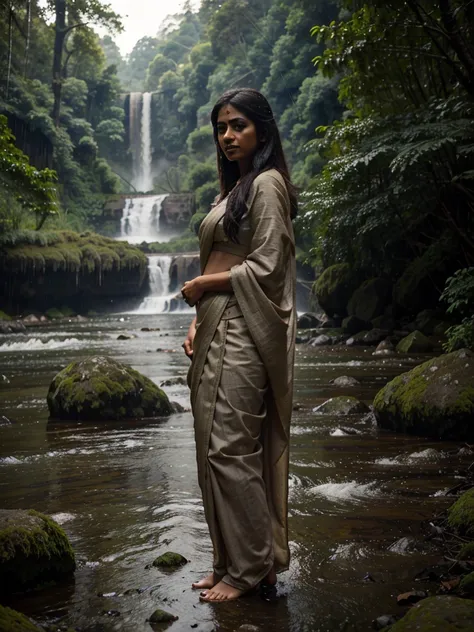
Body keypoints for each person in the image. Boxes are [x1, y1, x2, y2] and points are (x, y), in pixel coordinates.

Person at [181, 88, 297, 603]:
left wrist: (205, 288)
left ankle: (249, 569)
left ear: (262, 131)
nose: (228, 136)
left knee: (230, 447)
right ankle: (233, 559)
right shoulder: (236, 189)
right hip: (215, 324)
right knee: (211, 446)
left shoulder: (268, 184)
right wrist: (195, 319)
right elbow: (228, 254)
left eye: (238, 126)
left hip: (243, 329)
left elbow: (268, 267)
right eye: (222, 128)